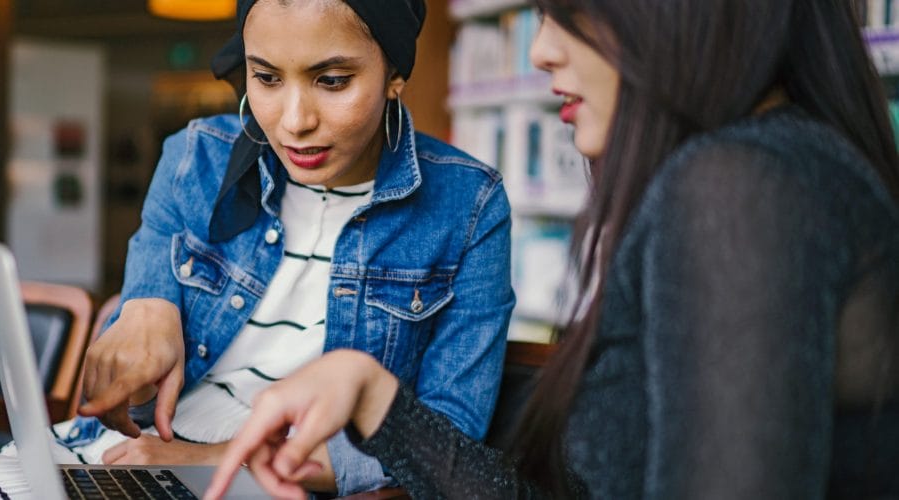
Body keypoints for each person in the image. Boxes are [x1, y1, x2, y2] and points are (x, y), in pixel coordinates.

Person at [208, 0, 899, 498]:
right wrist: (373, 396)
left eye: (568, 11)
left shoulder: (740, 187)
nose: (541, 50)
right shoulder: (771, 170)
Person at [74, 0, 515, 495]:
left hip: (267, 482)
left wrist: (216, 461)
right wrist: (142, 316)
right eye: (266, 78)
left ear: (394, 74)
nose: (294, 121)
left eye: (332, 81)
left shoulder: (469, 204)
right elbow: (134, 400)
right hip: (124, 455)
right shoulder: (195, 156)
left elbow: (444, 442)